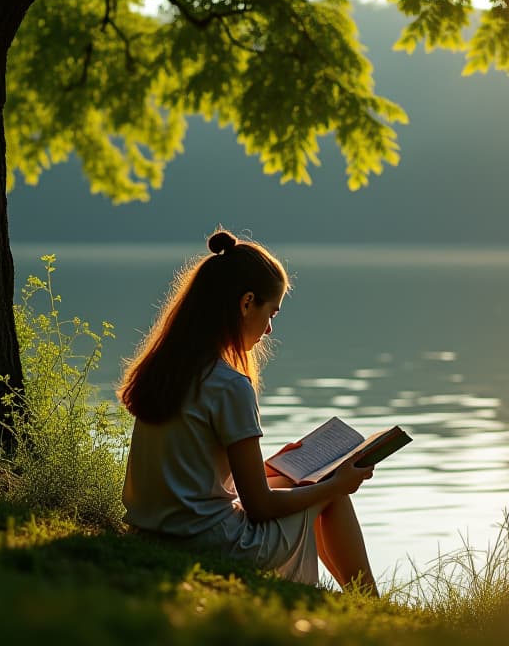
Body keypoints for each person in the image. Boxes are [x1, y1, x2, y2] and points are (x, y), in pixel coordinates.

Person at [119, 229, 378, 595]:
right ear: (246, 303)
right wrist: (336, 484)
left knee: (299, 482)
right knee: (329, 492)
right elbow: (258, 505)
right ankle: (368, 600)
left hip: (157, 533)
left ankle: (361, 597)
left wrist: (271, 468)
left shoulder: (167, 369)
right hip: (210, 544)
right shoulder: (229, 384)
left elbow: (193, 473)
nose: (269, 329)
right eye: (270, 313)